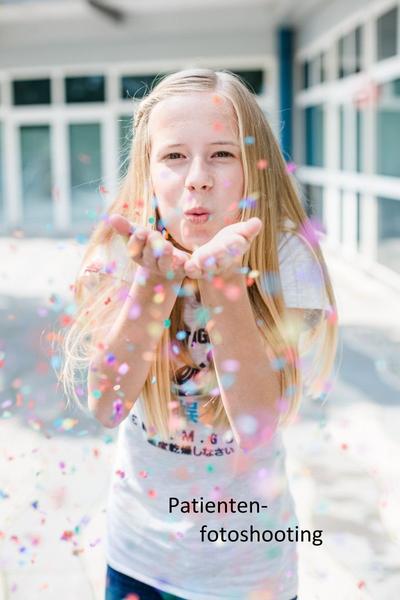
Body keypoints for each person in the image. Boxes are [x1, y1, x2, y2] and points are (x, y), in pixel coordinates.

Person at [58, 68, 338, 600]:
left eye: (222, 153)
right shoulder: (124, 251)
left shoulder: (286, 258)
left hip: (247, 571)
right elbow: (107, 405)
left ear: (254, 166)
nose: (197, 178)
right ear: (149, 170)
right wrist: (154, 284)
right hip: (138, 557)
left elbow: (257, 425)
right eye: (174, 155)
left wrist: (222, 284)